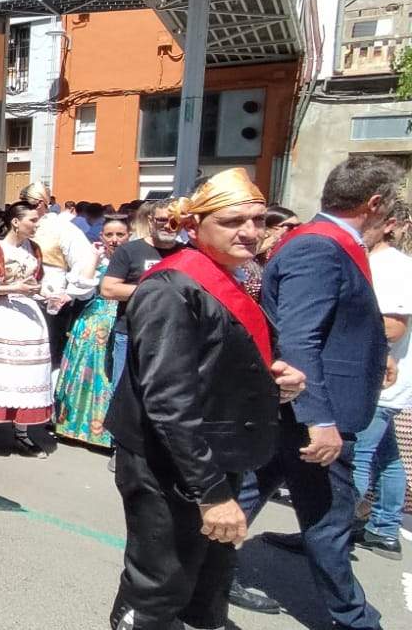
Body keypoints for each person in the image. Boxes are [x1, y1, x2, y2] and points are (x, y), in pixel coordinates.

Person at [104, 168, 304, 630]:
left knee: (206, 581)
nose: (250, 231)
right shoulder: (170, 288)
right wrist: (211, 494)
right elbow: (168, 400)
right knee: (159, 585)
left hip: (212, 455)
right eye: (234, 221)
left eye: (257, 220)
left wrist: (277, 381)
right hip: (170, 464)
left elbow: (215, 363)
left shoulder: (224, 276)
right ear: (195, 226)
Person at [239, 157, 403, 630]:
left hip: (308, 408)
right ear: (373, 203)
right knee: (329, 523)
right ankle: (355, 620)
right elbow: (299, 340)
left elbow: (331, 327)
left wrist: (374, 354)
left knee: (248, 495)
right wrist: (322, 421)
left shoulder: (324, 242)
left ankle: (195, 573)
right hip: (315, 412)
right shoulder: (319, 247)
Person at [0, 201, 50, 457]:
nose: (37, 224)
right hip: (1, 314)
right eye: (32, 220)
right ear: (16, 222)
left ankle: (23, 432)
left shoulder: (34, 249)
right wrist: (15, 288)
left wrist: (46, 293)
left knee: (28, 375)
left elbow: (37, 281)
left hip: (29, 316)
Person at [101, 200, 184, 436]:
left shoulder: (186, 253)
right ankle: (122, 447)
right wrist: (157, 291)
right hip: (130, 333)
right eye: (162, 220)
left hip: (173, 338)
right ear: (150, 221)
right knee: (124, 391)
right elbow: (108, 289)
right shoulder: (130, 251)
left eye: (174, 221)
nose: (168, 226)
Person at [359, 199, 410, 559]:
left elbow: (392, 327)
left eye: (365, 217)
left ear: (389, 224)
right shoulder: (376, 262)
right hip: (381, 381)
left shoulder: (393, 267)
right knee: (387, 457)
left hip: (377, 382)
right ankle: (384, 529)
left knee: (356, 458)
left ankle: (330, 529)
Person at [52, 215, 129, 449]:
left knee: (110, 375)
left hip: (120, 319)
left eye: (120, 235)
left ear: (129, 235)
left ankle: (109, 433)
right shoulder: (97, 260)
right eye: (109, 235)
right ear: (101, 237)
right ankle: (74, 426)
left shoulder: (132, 260)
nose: (114, 240)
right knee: (84, 373)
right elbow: (83, 288)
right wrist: (94, 258)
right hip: (92, 321)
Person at [23, 183, 99, 363]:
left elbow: (83, 259)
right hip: (23, 295)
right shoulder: (19, 226)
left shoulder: (62, 228)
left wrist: (70, 293)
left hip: (50, 298)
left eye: (27, 203)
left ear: (40, 203)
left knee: (49, 352)